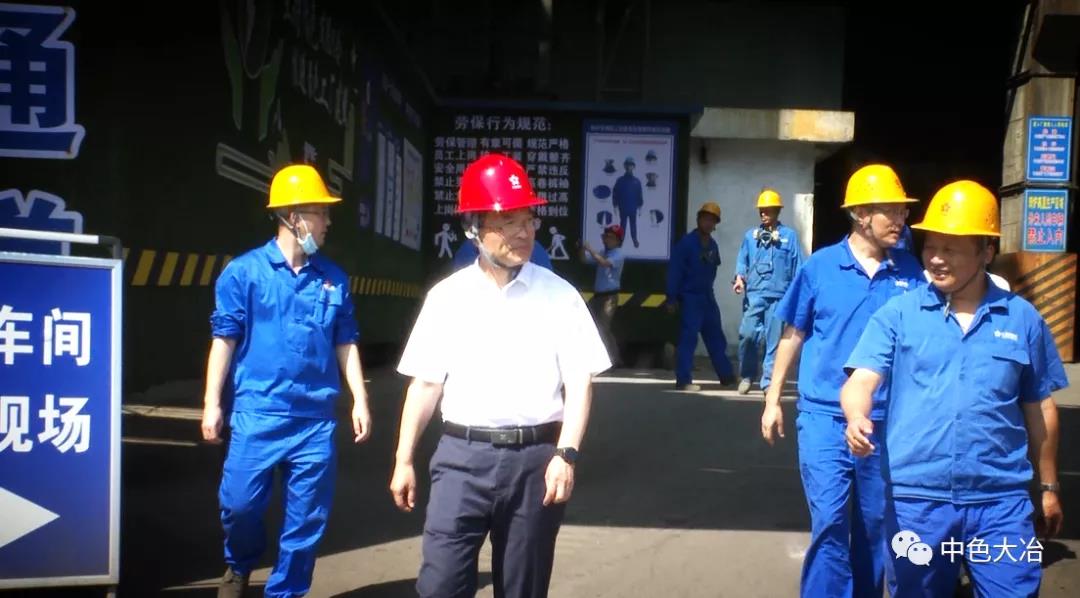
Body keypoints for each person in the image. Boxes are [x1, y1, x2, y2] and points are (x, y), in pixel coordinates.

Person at [389, 153, 610, 598]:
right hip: (461, 460)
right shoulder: (447, 298)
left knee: (523, 589)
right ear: (474, 228)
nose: (523, 232)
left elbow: (579, 382)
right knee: (440, 586)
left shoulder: (560, 296)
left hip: (535, 463)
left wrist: (566, 454)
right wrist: (403, 458)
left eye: (528, 220)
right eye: (508, 221)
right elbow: (426, 384)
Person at [841, 180, 1066, 597]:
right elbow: (861, 379)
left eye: (951, 249)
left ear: (986, 251)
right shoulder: (899, 314)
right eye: (931, 246)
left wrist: (1049, 486)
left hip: (1001, 502)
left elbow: (1039, 408)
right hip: (917, 503)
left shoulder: (1022, 319)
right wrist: (856, 416)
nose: (936, 258)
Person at [201, 164, 372, 598]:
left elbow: (345, 341)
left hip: (314, 419)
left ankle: (286, 591)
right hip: (257, 413)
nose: (328, 222)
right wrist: (212, 403)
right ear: (293, 217)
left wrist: (360, 398)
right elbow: (224, 339)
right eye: (320, 212)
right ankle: (239, 564)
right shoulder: (244, 273)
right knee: (239, 505)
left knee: (306, 519)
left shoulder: (333, 279)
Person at [760, 164, 925, 598]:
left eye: (903, 211)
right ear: (861, 214)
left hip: (885, 421)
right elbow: (793, 334)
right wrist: (773, 399)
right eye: (891, 210)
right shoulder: (820, 267)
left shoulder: (912, 273)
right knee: (830, 521)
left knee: (875, 525)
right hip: (824, 417)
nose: (901, 219)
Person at [732, 189, 803, 395]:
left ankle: (768, 382)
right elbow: (742, 261)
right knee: (747, 335)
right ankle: (747, 375)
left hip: (779, 297)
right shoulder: (750, 237)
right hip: (754, 295)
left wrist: (797, 296)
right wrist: (739, 278)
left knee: (774, 341)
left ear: (777, 211)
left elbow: (799, 266)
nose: (764, 214)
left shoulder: (789, 237)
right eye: (761, 210)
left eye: (768, 210)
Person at [665, 201, 735, 391]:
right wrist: (671, 297)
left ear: (716, 224)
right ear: (698, 220)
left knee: (716, 337)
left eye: (712, 220)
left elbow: (713, 269)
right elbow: (675, 271)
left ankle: (726, 376)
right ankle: (683, 380)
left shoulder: (713, 246)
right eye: (705, 219)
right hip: (690, 298)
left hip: (707, 297)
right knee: (689, 339)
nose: (708, 223)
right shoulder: (686, 244)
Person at [581, 223, 627, 367]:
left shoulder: (618, 254)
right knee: (593, 326)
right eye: (605, 236)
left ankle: (613, 360)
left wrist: (590, 249)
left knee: (604, 328)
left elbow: (605, 263)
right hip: (598, 296)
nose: (606, 240)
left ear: (618, 240)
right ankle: (604, 359)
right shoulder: (603, 252)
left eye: (610, 237)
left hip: (609, 297)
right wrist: (582, 249)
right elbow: (584, 260)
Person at [452, 235, 553, 271]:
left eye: (529, 221)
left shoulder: (534, 249)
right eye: (509, 223)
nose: (522, 233)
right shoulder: (467, 250)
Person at [612, 156, 643, 248]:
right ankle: (621, 241)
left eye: (631, 165)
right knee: (623, 225)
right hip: (623, 207)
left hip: (633, 208)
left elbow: (639, 194)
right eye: (628, 165)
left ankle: (635, 239)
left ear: (634, 167)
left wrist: (640, 206)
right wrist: (615, 205)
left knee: (633, 224)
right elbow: (615, 193)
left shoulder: (637, 182)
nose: (629, 167)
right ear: (624, 166)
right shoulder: (620, 180)